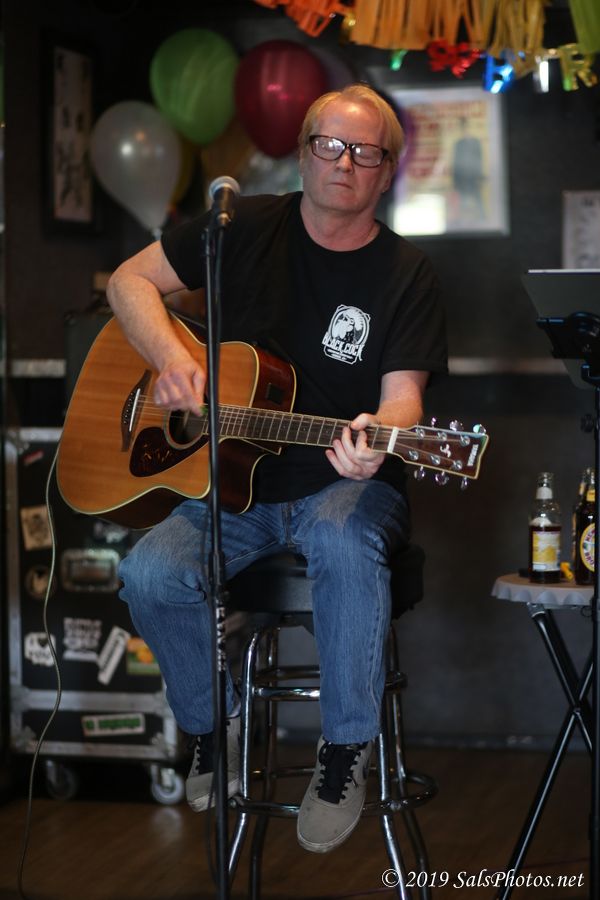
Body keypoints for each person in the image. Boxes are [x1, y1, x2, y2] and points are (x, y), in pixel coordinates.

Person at [106, 83, 447, 854]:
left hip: (347, 486)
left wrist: (380, 436)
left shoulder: (408, 274)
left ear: (386, 172)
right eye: (330, 145)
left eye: (365, 152)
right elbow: (129, 281)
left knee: (340, 540)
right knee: (149, 573)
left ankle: (345, 749)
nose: (344, 163)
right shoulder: (242, 227)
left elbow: (404, 401)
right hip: (232, 486)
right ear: (302, 153)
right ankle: (210, 726)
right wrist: (171, 358)